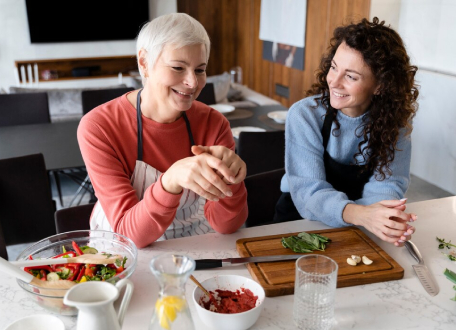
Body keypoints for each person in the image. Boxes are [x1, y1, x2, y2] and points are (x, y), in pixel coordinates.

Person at [78, 13, 248, 248]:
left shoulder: (214, 123)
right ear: (145, 63)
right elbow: (129, 234)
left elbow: (227, 226)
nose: (192, 82)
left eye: (200, 70)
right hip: (122, 249)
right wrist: (170, 180)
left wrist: (233, 181)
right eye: (178, 67)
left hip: (192, 243)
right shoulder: (99, 127)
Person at [274, 17, 419, 247]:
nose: (334, 82)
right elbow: (308, 194)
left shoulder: (395, 123)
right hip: (301, 220)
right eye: (334, 67)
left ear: (381, 85)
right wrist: (363, 215)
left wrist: (385, 220)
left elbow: (388, 185)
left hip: (360, 225)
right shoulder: (304, 115)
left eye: (351, 76)